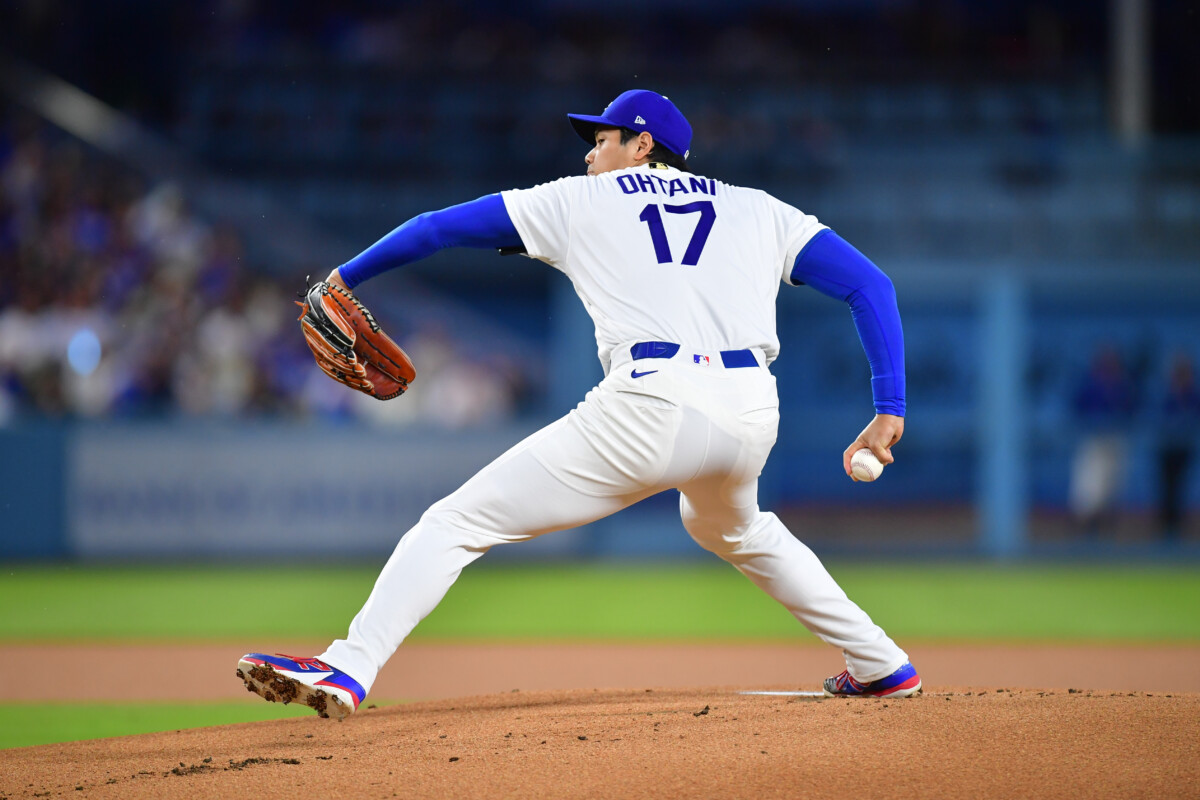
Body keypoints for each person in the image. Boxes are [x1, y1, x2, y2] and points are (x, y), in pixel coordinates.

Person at [237, 90, 920, 718]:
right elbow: (871, 285)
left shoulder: (580, 200)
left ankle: (347, 668)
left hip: (651, 402)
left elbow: (435, 227)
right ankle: (879, 662)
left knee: (457, 521)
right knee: (731, 527)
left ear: (642, 145)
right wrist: (889, 405)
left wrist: (343, 277)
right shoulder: (760, 208)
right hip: (750, 410)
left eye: (602, 138)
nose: (590, 151)